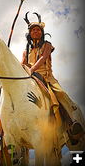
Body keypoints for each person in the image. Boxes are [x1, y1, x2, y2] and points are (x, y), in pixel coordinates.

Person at [21, 12, 85, 145]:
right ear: (30, 33)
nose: (36, 31)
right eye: (33, 30)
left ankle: (73, 122)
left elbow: (44, 58)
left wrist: (32, 69)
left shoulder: (47, 45)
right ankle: (3, 132)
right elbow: (22, 64)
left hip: (47, 77)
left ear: (42, 32)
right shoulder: (25, 50)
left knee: (60, 94)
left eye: (38, 30)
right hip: (31, 77)